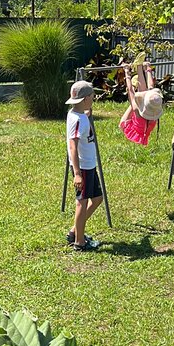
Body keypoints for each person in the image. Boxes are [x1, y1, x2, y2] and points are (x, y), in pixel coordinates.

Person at [66, 80, 103, 251]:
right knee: (82, 202)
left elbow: (81, 119)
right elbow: (73, 145)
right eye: (92, 97)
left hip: (89, 165)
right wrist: (77, 173)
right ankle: (79, 242)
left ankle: (75, 230)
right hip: (84, 167)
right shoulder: (78, 120)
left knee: (97, 199)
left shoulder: (76, 114)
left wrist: (87, 114)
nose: (93, 99)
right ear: (86, 98)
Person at [119, 59, 163, 147]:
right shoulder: (155, 105)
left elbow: (130, 92)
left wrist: (127, 72)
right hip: (144, 131)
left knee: (137, 99)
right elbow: (151, 87)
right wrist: (148, 69)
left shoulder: (136, 110)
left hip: (131, 130)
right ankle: (139, 67)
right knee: (144, 94)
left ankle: (139, 68)